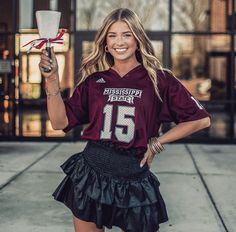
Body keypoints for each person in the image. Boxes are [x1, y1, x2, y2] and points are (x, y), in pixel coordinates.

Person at [39, 8, 211, 232]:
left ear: (138, 40)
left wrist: (158, 143)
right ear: (105, 43)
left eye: (126, 34)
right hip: (91, 172)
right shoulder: (95, 81)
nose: (119, 41)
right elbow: (59, 122)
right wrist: (52, 80)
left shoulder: (160, 80)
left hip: (134, 176)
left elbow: (200, 120)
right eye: (112, 35)